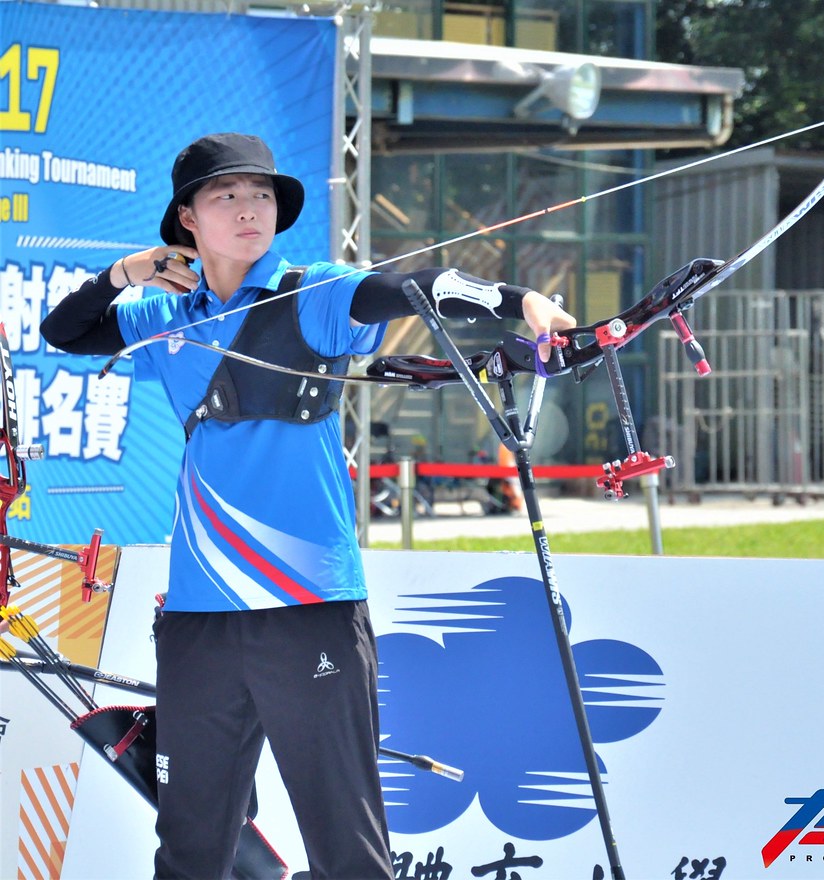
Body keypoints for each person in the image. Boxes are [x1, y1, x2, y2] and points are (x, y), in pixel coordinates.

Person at [40, 132, 576, 879]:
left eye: (259, 193)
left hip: (308, 605)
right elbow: (62, 331)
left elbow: (418, 285)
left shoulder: (313, 292)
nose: (248, 207)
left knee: (345, 847)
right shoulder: (164, 315)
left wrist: (521, 303)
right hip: (200, 618)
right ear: (187, 219)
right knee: (189, 846)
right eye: (225, 195)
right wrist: (127, 272)